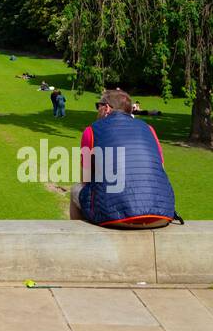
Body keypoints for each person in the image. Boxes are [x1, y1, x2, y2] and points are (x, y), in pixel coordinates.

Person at [70, 88, 178, 228]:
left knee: (76, 190)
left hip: (114, 217)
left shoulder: (91, 131)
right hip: (162, 214)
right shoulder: (149, 129)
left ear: (107, 108)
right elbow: (160, 169)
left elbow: (85, 179)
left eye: (99, 106)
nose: (98, 110)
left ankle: (79, 240)